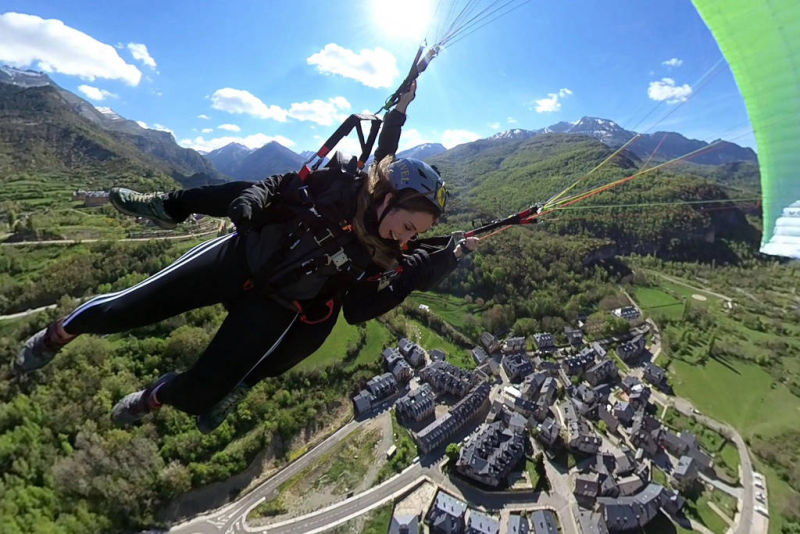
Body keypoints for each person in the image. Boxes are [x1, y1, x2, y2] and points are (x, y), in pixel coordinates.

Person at [16, 82, 478, 433]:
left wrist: (428, 268)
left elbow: (359, 309)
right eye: (409, 225)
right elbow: (293, 181)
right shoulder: (343, 185)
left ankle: (152, 398)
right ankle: (60, 333)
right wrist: (400, 107)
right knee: (126, 309)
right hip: (243, 256)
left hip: (276, 305)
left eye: (416, 234)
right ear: (387, 197)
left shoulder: (379, 260)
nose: (406, 238)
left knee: (201, 394)